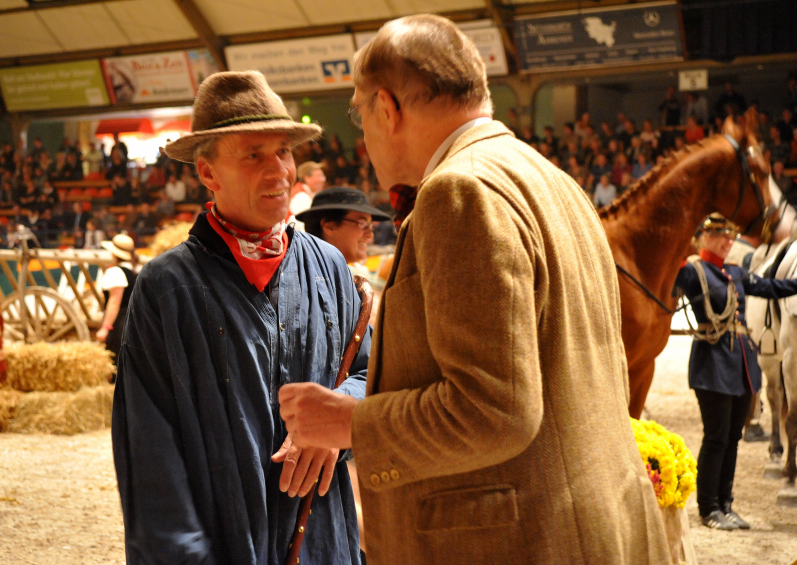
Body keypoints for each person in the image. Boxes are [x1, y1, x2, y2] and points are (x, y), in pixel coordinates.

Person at [278, 14, 669, 565]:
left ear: (386, 109)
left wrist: (347, 423)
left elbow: (495, 410)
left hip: (520, 542)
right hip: (594, 523)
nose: (363, 137)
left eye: (358, 115)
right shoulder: (553, 180)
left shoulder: (458, 191)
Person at [111, 70, 369, 565]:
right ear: (208, 173)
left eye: (284, 152)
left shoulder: (329, 268)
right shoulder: (168, 289)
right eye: (254, 155)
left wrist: (337, 421)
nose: (279, 172)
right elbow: (150, 456)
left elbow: (370, 370)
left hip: (321, 537)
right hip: (222, 542)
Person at [675, 214, 797, 530]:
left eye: (730, 236)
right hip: (712, 364)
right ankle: (709, 507)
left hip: (741, 365)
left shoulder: (734, 272)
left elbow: (772, 287)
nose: (727, 242)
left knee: (732, 438)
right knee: (715, 437)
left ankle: (726, 505)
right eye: (719, 236)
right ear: (701, 237)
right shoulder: (691, 271)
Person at [296, 186, 391, 266]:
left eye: (371, 226)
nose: (370, 235)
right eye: (362, 224)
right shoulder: (303, 279)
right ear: (330, 227)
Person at [96, 234, 139, 364]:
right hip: (135, 321)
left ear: (114, 254)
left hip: (120, 323)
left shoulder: (115, 272)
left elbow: (114, 302)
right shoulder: (134, 271)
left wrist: (105, 328)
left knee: (117, 362)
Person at [289, 160, 326, 230]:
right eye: (319, 176)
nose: (323, 179)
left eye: (323, 175)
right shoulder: (301, 197)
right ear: (307, 179)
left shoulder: (307, 193)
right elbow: (307, 227)